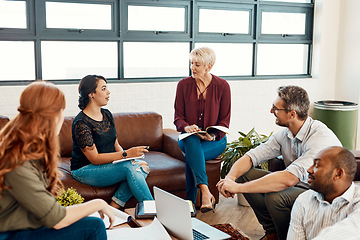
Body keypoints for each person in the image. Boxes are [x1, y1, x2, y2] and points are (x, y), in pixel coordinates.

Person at [216, 85, 342, 240]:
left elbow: (288, 179)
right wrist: (230, 179)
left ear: (292, 114)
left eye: (275, 108)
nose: (271, 111)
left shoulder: (320, 139)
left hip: (323, 196)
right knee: (244, 174)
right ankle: (272, 233)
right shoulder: (285, 135)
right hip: (300, 187)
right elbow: (251, 157)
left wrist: (238, 188)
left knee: (276, 197)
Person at [0, 81, 114, 240]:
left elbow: (44, 207)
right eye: (62, 111)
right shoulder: (18, 162)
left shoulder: (29, 149)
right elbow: (57, 220)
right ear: (52, 117)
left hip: (23, 228)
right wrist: (98, 203)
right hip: (9, 235)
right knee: (94, 227)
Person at [71, 75, 153, 210]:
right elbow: (95, 159)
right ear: (91, 94)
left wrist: (131, 158)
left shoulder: (107, 114)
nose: (108, 92)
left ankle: (114, 206)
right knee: (130, 167)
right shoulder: (81, 123)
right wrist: (127, 155)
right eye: (103, 89)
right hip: (84, 169)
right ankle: (152, 211)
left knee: (142, 166)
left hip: (107, 164)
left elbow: (115, 144)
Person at [174, 47, 231, 213]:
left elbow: (225, 120)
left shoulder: (222, 86)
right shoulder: (183, 85)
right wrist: (186, 127)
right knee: (191, 141)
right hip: (188, 138)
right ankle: (206, 192)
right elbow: (178, 117)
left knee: (193, 156)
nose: (193, 67)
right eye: (192, 63)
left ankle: (190, 204)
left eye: (197, 64)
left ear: (209, 66)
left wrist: (213, 135)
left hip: (215, 141)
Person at [287, 146, 360, 239]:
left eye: (317, 165)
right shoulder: (303, 200)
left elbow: (353, 230)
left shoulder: (357, 201)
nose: (309, 170)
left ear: (338, 174)